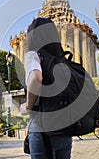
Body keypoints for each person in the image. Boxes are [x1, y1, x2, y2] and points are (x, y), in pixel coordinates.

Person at [23, 17, 72, 159]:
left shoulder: (34, 55)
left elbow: (36, 79)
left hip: (41, 128)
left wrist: (28, 106)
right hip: (63, 128)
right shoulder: (63, 60)